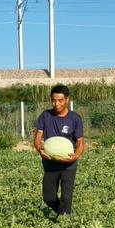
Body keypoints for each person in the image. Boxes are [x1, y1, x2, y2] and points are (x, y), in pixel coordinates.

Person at [34, 84, 85, 216]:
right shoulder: (45, 116)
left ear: (67, 100)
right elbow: (38, 137)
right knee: (48, 198)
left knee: (66, 199)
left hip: (69, 164)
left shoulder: (75, 118)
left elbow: (80, 142)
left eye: (60, 100)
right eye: (54, 100)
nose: (56, 104)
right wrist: (40, 150)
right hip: (50, 164)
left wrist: (76, 155)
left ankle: (64, 221)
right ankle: (64, 214)